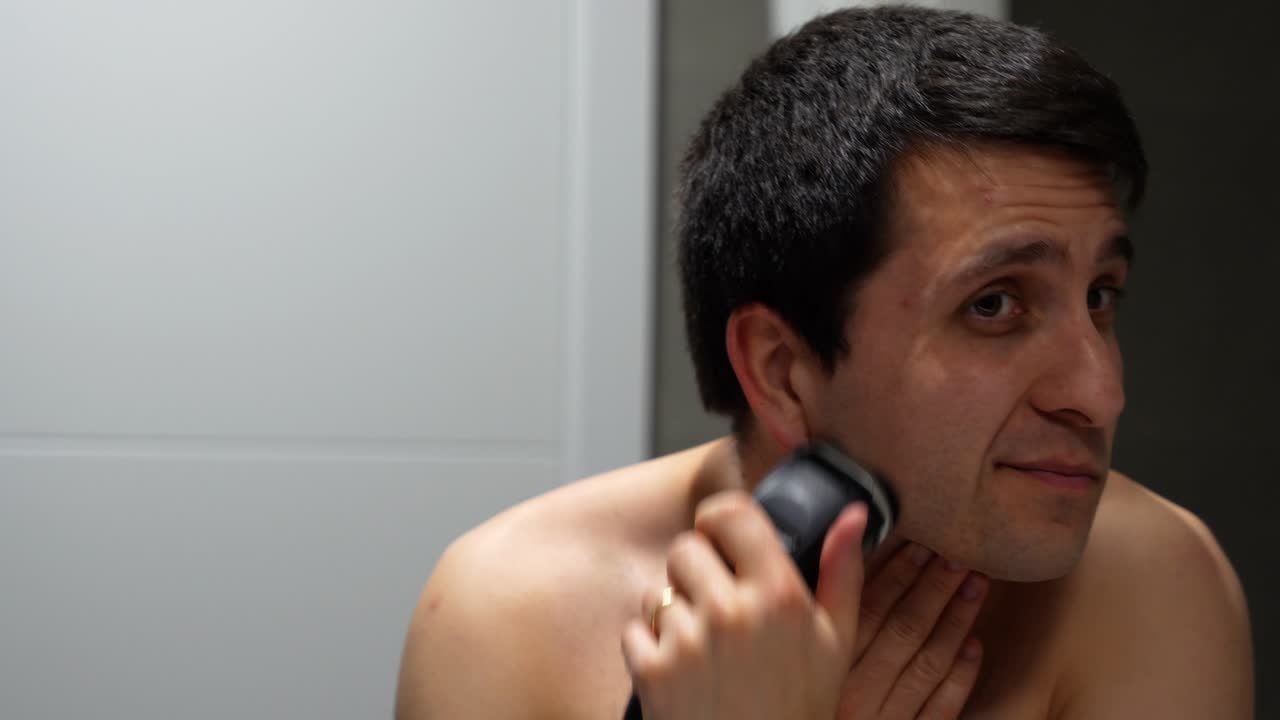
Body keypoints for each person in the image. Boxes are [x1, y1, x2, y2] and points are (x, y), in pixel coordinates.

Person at [395, 6, 1254, 718]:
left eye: (1101, 294)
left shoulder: (1150, 588)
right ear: (781, 370)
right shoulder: (510, 616)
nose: (1101, 394)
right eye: (993, 305)